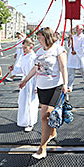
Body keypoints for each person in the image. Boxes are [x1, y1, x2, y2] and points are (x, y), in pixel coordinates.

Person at [19, 27, 68, 159]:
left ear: (47, 37)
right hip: (42, 87)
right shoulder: (40, 51)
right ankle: (52, 133)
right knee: (48, 115)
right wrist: (25, 80)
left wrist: (65, 84)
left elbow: (63, 67)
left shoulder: (58, 49)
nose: (38, 40)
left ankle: (42, 148)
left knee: (44, 116)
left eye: (40, 37)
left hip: (55, 86)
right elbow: (35, 68)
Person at [16, 38, 39, 132]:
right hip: (25, 80)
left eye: (25, 48)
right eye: (23, 48)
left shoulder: (34, 57)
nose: (23, 50)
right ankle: (24, 120)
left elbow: (37, 72)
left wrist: (37, 85)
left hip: (32, 81)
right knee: (23, 101)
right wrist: (13, 69)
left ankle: (30, 122)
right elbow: (22, 70)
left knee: (31, 102)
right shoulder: (24, 57)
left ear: (31, 47)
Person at [67, 24, 84, 91]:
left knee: (83, 72)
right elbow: (69, 46)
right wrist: (69, 40)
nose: (78, 30)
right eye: (77, 29)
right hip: (73, 57)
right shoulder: (73, 37)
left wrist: (76, 52)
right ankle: (69, 86)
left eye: (80, 29)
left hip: (81, 58)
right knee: (70, 73)